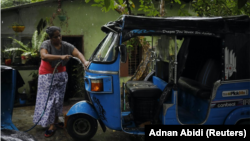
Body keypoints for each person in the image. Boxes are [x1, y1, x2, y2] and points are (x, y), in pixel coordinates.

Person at [32, 26, 89, 137]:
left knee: (58, 100)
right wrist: (60, 56)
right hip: (47, 75)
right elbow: (44, 56)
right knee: (51, 100)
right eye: (55, 37)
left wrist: (85, 62)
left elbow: (77, 53)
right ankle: (52, 125)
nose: (58, 38)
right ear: (50, 38)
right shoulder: (46, 44)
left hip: (61, 75)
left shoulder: (66, 45)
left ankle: (56, 121)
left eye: (59, 35)